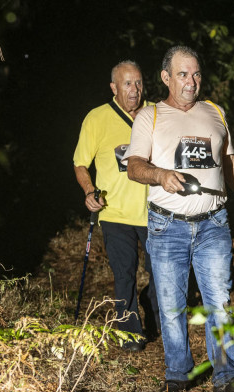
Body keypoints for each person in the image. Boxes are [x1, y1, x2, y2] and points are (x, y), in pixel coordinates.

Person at [125, 45, 234, 392]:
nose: (192, 82)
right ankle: (178, 372)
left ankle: (226, 376)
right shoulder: (151, 116)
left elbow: (231, 162)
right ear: (165, 78)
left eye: (196, 74)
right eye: (182, 74)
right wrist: (160, 175)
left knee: (218, 303)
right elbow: (134, 166)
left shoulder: (215, 112)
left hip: (213, 224)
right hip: (167, 225)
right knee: (172, 305)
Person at [73, 60, 158, 352]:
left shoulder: (157, 112)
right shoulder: (96, 118)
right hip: (115, 212)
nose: (134, 90)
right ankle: (130, 334)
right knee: (124, 274)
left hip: (154, 211)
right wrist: (88, 191)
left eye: (137, 83)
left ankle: (162, 322)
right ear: (113, 87)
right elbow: (80, 163)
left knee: (160, 272)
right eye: (126, 84)